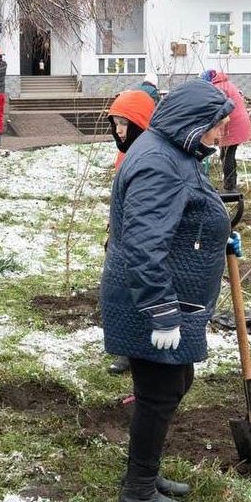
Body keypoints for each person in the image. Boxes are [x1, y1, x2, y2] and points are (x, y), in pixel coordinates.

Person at [101, 79, 235, 502]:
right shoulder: (159, 162)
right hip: (150, 298)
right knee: (159, 392)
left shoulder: (177, 151)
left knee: (173, 384)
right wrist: (161, 311)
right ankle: (138, 491)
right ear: (196, 122)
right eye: (219, 126)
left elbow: (180, 215)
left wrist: (217, 234)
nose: (222, 135)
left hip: (165, 291)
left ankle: (143, 471)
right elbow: (143, 242)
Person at [105, 89, 156, 375]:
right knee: (124, 293)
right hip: (122, 234)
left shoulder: (150, 157)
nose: (119, 130)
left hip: (141, 240)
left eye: (125, 123)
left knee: (140, 291)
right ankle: (128, 349)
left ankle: (141, 348)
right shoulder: (125, 155)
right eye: (116, 123)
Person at [201, 69, 251, 192]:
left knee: (227, 154)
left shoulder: (219, 87)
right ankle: (231, 182)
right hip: (236, 123)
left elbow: (219, 110)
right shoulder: (224, 84)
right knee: (227, 154)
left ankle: (230, 185)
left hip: (233, 125)